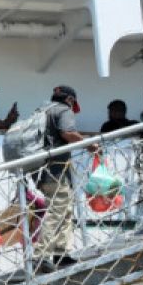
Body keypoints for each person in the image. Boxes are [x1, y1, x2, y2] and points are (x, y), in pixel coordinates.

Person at [35, 86, 95, 270]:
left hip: (41, 170)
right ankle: (40, 255)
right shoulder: (63, 110)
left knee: (64, 209)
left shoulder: (42, 111)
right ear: (69, 99)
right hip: (56, 170)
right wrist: (88, 144)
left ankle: (61, 253)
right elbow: (67, 133)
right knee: (57, 211)